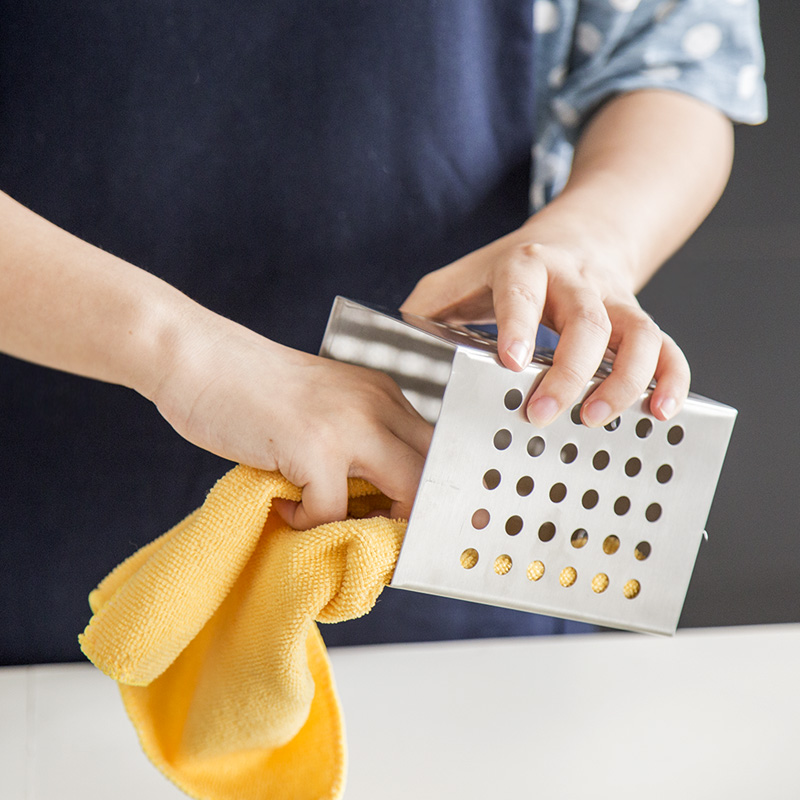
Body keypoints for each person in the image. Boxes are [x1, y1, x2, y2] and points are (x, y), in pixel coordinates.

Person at [0, 1, 766, 662]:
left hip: (469, 554)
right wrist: (177, 350)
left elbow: (670, 59)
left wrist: (595, 236)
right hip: (35, 532)